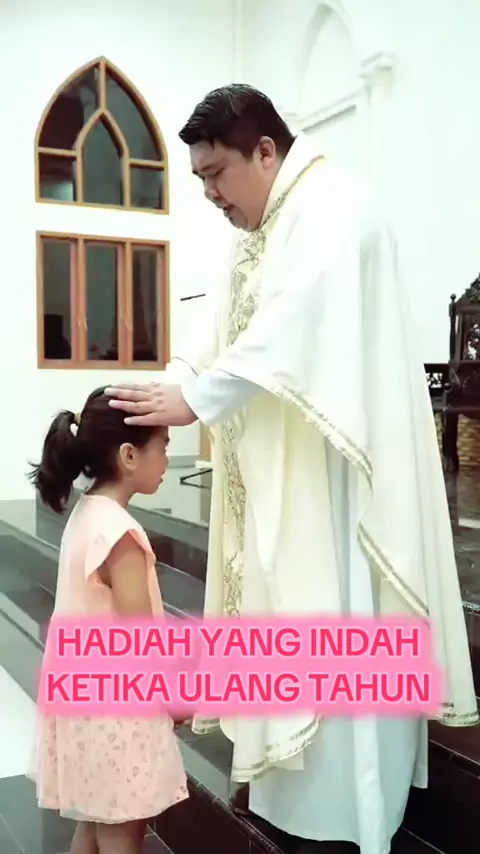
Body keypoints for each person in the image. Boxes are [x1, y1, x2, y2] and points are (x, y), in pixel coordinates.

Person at [105, 85, 479, 854]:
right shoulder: (260, 225)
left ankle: (349, 808)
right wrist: (176, 380)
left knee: (335, 618)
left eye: (216, 174)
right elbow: (224, 324)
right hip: (278, 468)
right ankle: (285, 782)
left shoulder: (334, 208)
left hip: (335, 479)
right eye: (200, 180)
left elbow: (293, 324)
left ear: (265, 151)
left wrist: (197, 396)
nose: (210, 195)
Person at [28, 388, 188, 854]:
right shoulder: (120, 535)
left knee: (95, 819)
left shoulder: (88, 512)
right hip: (115, 709)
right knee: (122, 828)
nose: (166, 459)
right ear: (129, 455)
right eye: (163, 447)